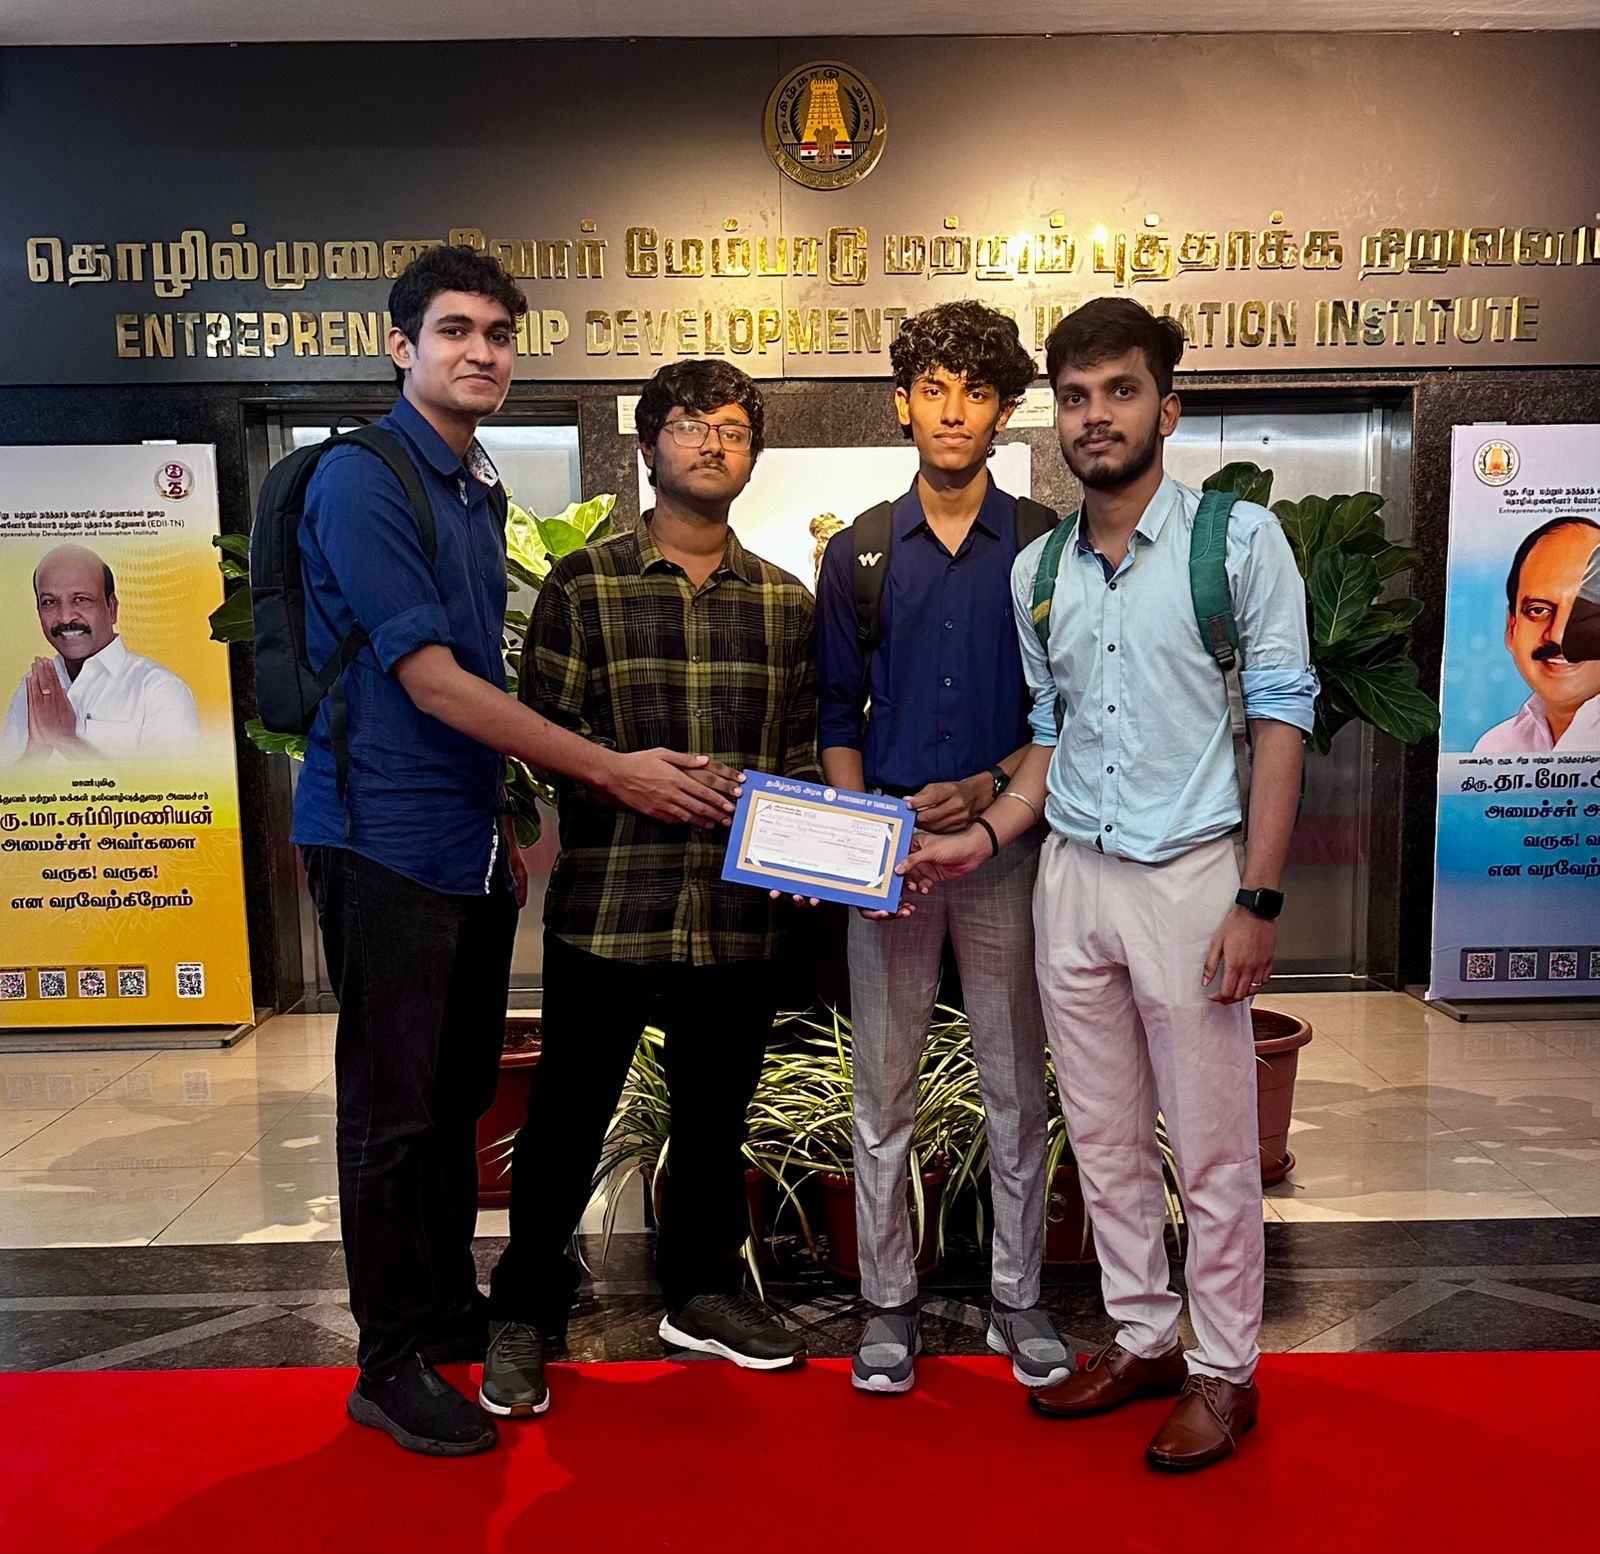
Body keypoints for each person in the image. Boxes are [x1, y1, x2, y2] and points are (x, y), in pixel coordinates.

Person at [294, 246, 738, 1458]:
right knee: (390, 1114)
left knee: (451, 1100)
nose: (480, 351)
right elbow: (433, 681)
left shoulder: (472, 486)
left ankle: (446, 1305)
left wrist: (503, 813)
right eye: (454, 331)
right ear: (401, 346)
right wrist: (611, 769)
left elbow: (480, 685)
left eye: (497, 333)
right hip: (380, 837)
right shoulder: (365, 480)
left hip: (466, 844)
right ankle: (388, 1360)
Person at [901, 297, 1316, 1471]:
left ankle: (1226, 1372)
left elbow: (1280, 720)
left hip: (1192, 878)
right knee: (1102, 1133)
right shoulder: (1037, 571)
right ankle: (1142, 1339)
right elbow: (1051, 736)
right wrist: (982, 838)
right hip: (1071, 878)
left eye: (1119, 392)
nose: (1096, 416)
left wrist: (1258, 898)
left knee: (1215, 1148)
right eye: (1075, 397)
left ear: (1165, 408)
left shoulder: (1236, 544)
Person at [481, 360, 819, 1419]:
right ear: (647, 445)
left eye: (733, 429)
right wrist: (625, 775)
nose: (713, 443)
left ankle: (701, 1294)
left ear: (752, 456)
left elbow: (803, 755)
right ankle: (524, 1307)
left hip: (736, 913)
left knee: (715, 1119)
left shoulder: (786, 602)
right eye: (690, 424)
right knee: (566, 1119)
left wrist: (805, 843)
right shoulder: (583, 584)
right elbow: (544, 735)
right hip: (611, 905)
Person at [815, 300, 1069, 1395]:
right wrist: (863, 842)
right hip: (890, 861)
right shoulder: (860, 551)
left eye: (976, 391)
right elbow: (835, 714)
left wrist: (995, 787)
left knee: (1015, 1088)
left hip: (1009, 852)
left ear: (1004, 411)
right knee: (884, 1092)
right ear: (901, 404)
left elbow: (1068, 709)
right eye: (932, 389)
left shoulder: (1047, 545)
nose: (952, 410)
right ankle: (887, 1305)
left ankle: (1018, 1298)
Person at [1, 544, 200, 762]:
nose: (65, 617)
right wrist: (36, 750)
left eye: (81, 599)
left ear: (111, 608)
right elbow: (9, 781)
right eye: (50, 602)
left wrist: (66, 739)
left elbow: (173, 783)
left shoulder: (159, 690)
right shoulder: (32, 688)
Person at [1472, 516, 1600, 752]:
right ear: (1512, 628)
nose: (1558, 636)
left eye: (1587, 612)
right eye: (1538, 610)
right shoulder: (1494, 748)